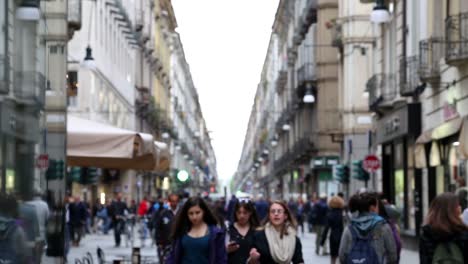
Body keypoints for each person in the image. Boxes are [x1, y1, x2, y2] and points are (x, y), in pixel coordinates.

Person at [339, 192, 398, 264]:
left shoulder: (350, 228)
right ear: (372, 207)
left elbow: (342, 256)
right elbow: (393, 255)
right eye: (377, 206)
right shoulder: (383, 226)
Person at [166, 197, 227, 264]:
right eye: (191, 213)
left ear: (204, 212)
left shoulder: (216, 233)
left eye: (197, 213)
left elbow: (221, 258)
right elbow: (173, 255)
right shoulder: (181, 231)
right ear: (186, 214)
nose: (194, 217)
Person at [419, 192, 468, 263]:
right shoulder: (463, 234)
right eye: (458, 205)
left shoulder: (427, 234)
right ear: (454, 210)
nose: (460, 208)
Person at [26, 189, 50, 261]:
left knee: (30, 256)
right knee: (38, 256)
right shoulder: (45, 205)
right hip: (40, 235)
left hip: (29, 235)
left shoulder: (27, 204)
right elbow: (48, 218)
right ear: (41, 195)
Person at [155, 194, 179, 263]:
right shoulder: (163, 213)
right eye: (172, 201)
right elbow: (158, 228)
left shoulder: (181, 213)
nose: (174, 203)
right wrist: (158, 242)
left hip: (178, 243)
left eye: (175, 201)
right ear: (169, 202)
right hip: (166, 244)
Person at [320, 196, 344, 264]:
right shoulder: (341, 214)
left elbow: (326, 228)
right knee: (340, 255)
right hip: (341, 236)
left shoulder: (330, 214)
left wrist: (322, 241)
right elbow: (343, 227)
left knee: (333, 256)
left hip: (333, 236)